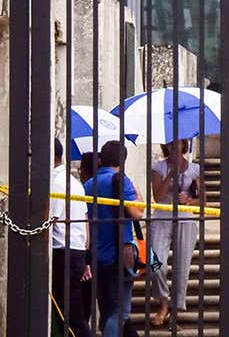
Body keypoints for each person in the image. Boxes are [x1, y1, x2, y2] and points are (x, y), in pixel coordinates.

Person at [85, 140, 144, 337]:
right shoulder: (120, 180)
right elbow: (137, 213)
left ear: (101, 159)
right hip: (119, 255)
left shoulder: (88, 185)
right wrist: (137, 192)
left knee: (107, 308)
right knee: (120, 311)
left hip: (95, 256)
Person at [147, 138, 201, 327]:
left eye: (177, 143)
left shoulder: (194, 169)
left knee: (182, 267)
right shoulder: (158, 167)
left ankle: (175, 312)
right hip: (162, 216)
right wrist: (170, 175)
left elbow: (203, 200)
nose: (173, 146)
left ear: (183, 145)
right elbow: (157, 196)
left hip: (185, 218)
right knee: (156, 261)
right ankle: (163, 301)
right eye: (169, 143)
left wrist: (189, 200)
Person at [51, 139, 93, 337]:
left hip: (62, 255)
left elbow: (50, 221)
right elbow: (85, 223)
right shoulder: (74, 182)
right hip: (75, 252)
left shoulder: (57, 183)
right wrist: (84, 258)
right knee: (72, 313)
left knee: (69, 317)